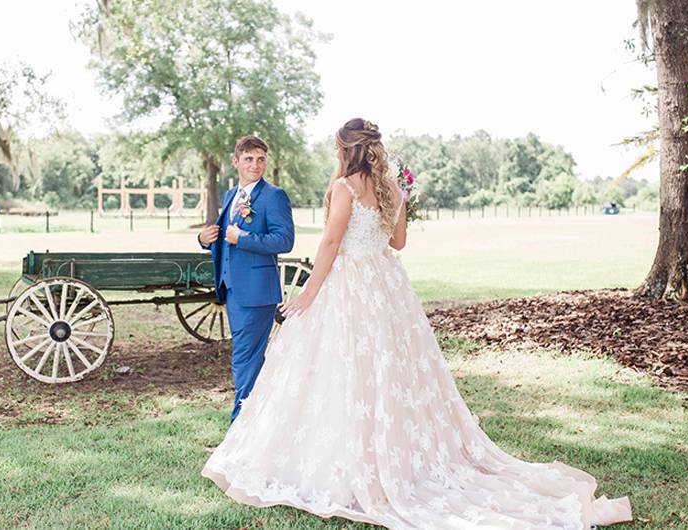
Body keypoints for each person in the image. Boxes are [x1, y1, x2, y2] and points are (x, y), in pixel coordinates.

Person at [201, 118, 632, 529]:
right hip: (385, 285)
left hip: (349, 284)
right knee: (387, 371)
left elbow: (331, 242)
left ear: (345, 149)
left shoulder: (344, 186)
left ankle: (354, 464)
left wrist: (309, 294)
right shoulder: (392, 187)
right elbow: (399, 242)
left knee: (346, 369)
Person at [197, 135, 294, 423]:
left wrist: (244, 237)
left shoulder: (274, 196)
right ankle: (257, 424)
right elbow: (222, 237)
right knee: (246, 360)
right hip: (233, 290)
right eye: (249, 159)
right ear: (235, 161)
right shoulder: (231, 196)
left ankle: (240, 426)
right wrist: (203, 239)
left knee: (245, 361)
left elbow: (284, 240)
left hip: (257, 293)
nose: (256, 164)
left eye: (261, 159)